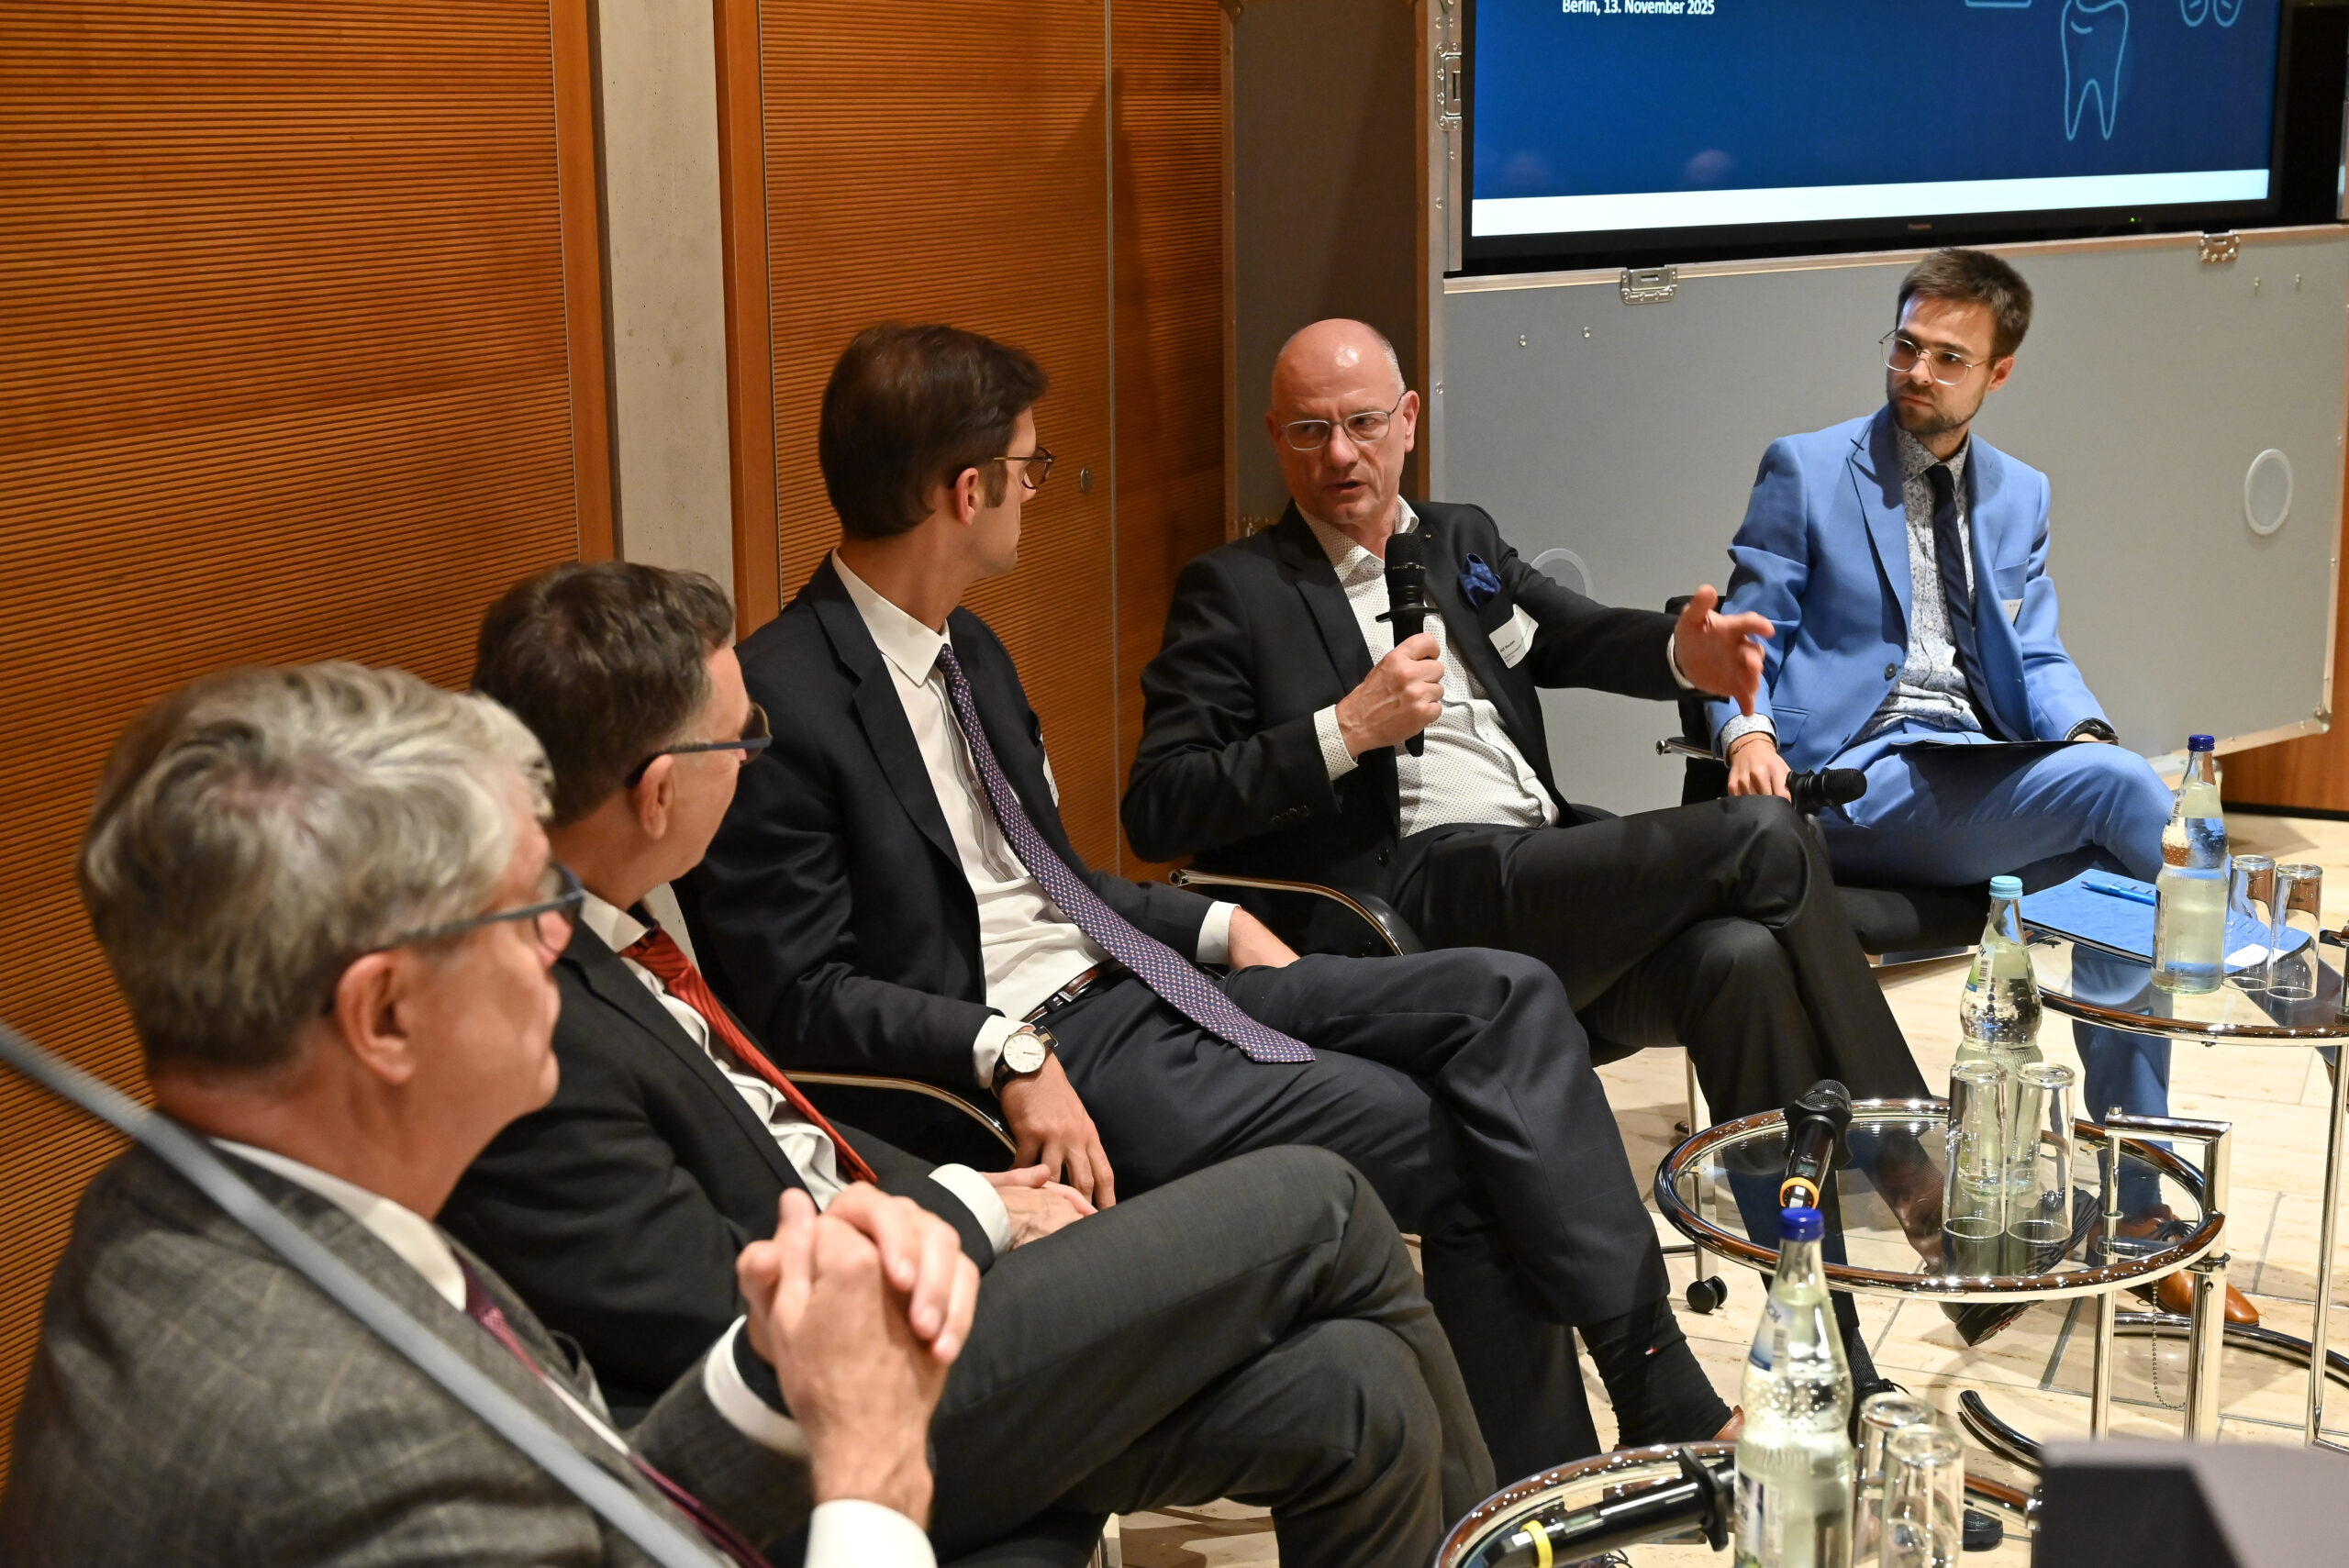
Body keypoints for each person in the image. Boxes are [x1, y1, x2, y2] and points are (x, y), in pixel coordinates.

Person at [685, 322, 1738, 1480]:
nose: (1038, 489)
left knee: (1510, 995)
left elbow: (1048, 875)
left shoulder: (968, 648)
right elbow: (798, 997)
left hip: (1149, 983)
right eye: (1028, 467)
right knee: (1465, 1142)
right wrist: (1003, 1049)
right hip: (1050, 1052)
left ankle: (1647, 1388)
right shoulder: (779, 699)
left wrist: (1218, 924)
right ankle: (1538, 1511)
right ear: (965, 489)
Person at [440, 559, 1491, 1568]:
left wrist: (981, 1193)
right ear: (661, 792)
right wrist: (979, 1212)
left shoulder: (610, 941)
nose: (756, 756)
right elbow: (721, 1305)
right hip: (828, 1420)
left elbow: (790, 1141)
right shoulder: (527, 1020)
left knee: (1359, 1386)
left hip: (911, 1286)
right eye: (741, 738)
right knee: (1323, 1201)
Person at [0, 663, 961, 1566]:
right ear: (386, 1014)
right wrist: (872, 1476)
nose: (561, 938)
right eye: (526, 906)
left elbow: (571, 1512)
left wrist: (782, 1364)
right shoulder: (365, 1455)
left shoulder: (176, 1203)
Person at [1120, 316, 1931, 1134]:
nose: (1338, 453)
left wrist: (1680, 655)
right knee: (1765, 832)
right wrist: (1346, 729)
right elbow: (1159, 805)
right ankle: (1907, 1148)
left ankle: (1797, 1216)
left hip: (1535, 870)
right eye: (1309, 430)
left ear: (1407, 419)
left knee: (1738, 959)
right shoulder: (1235, 590)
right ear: (1275, 435)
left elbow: (1569, 634)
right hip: (1409, 894)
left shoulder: (1456, 538)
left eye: (1362, 422)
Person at [1702, 250, 2249, 1323]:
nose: (1917, 371)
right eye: (1905, 346)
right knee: (2118, 799)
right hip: (1854, 778)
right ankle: (2248, 952)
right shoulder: (1807, 468)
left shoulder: (2019, 493)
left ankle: (2137, 1213)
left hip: (1970, 768)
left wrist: (2080, 734)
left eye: (1948, 357)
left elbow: (2035, 655)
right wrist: (1745, 732)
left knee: (2117, 885)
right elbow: (1743, 634)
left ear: (1998, 372)